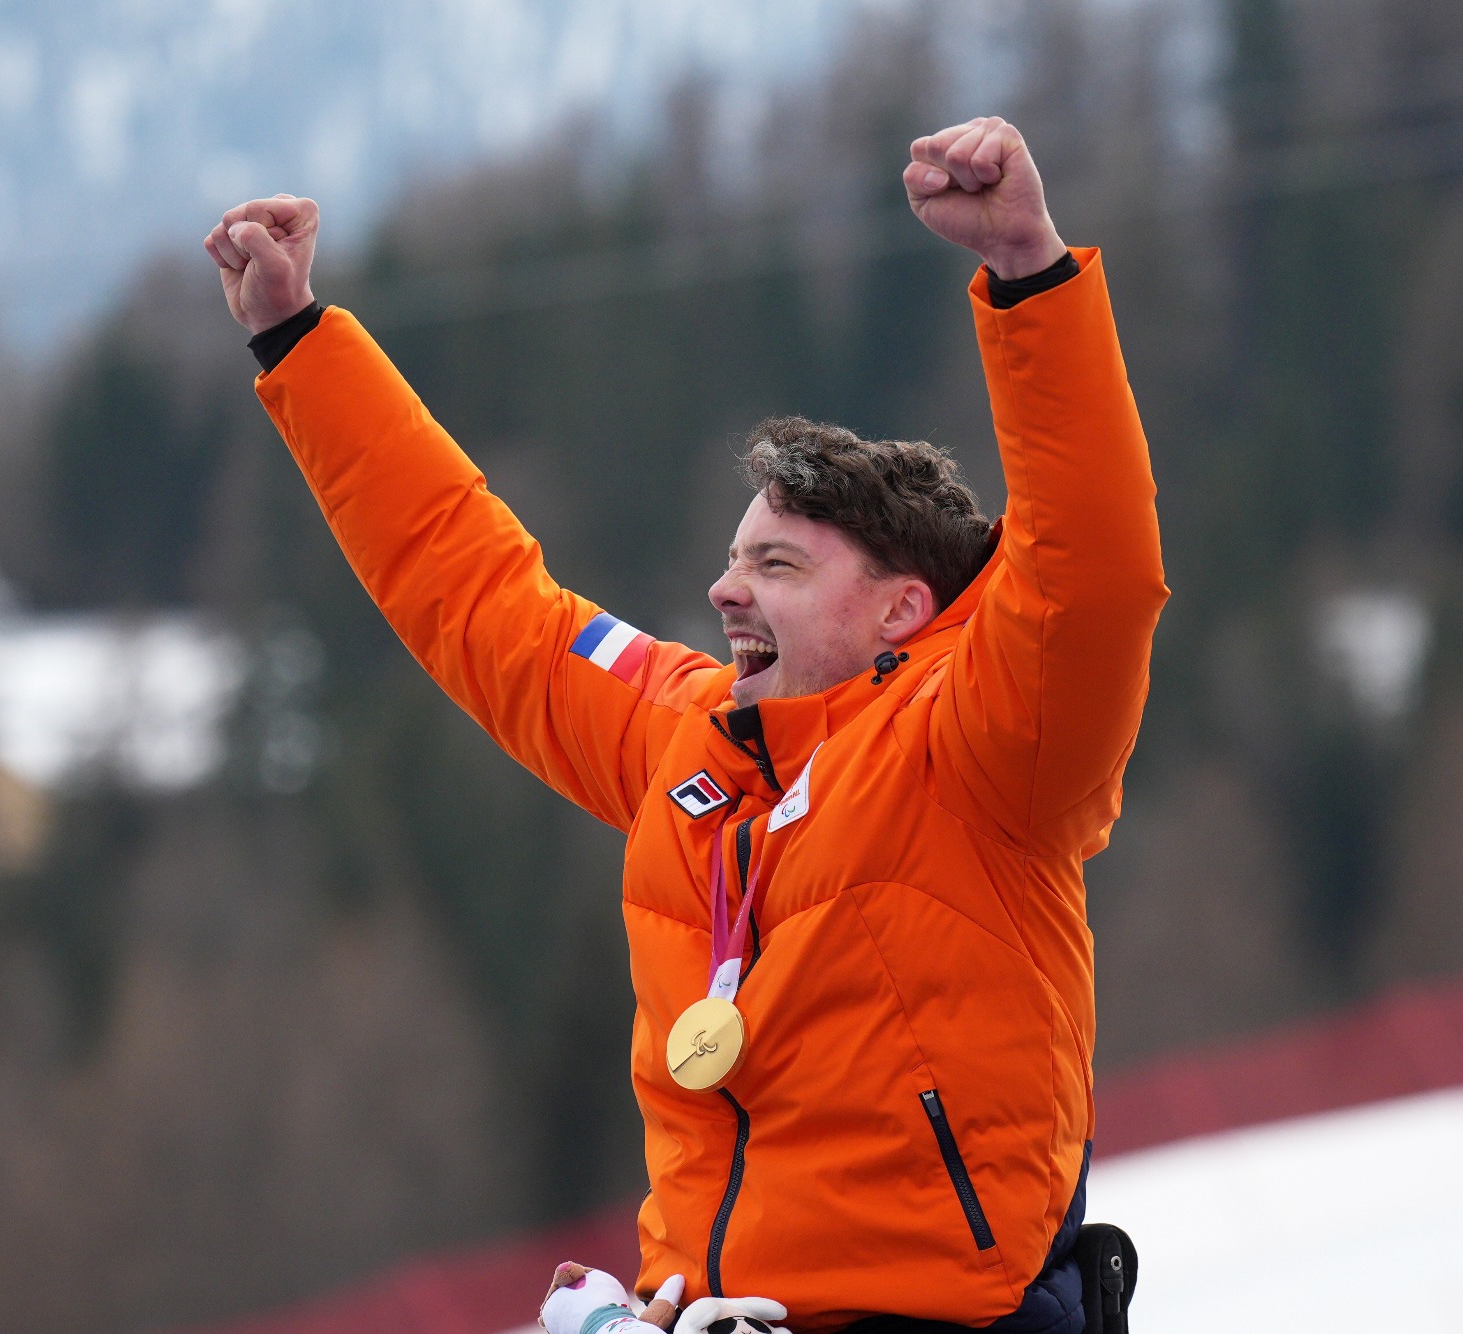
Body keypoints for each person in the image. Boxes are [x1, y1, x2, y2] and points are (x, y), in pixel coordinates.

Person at [205, 115, 1167, 1334]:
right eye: (730, 559)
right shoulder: (688, 737)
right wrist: (297, 340)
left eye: (775, 563)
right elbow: (477, 593)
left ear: (899, 607)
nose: (725, 591)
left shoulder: (987, 743)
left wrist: (1029, 271)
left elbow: (1093, 576)